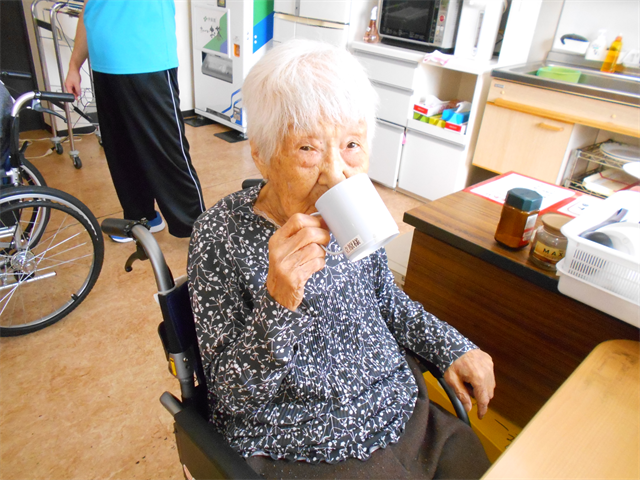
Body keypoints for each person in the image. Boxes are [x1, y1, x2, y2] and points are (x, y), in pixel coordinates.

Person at [188, 40, 495, 480]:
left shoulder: (354, 214)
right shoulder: (220, 236)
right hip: (297, 446)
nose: (336, 174)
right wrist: (278, 303)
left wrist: (450, 346)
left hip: (399, 412)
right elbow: (232, 396)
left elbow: (386, 301)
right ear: (261, 153)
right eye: (308, 149)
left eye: (352, 144)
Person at [65, 0, 205, 242]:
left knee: (167, 151)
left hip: (147, 60)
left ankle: (199, 230)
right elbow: (90, 9)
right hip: (104, 64)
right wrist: (74, 65)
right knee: (120, 149)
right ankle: (141, 216)